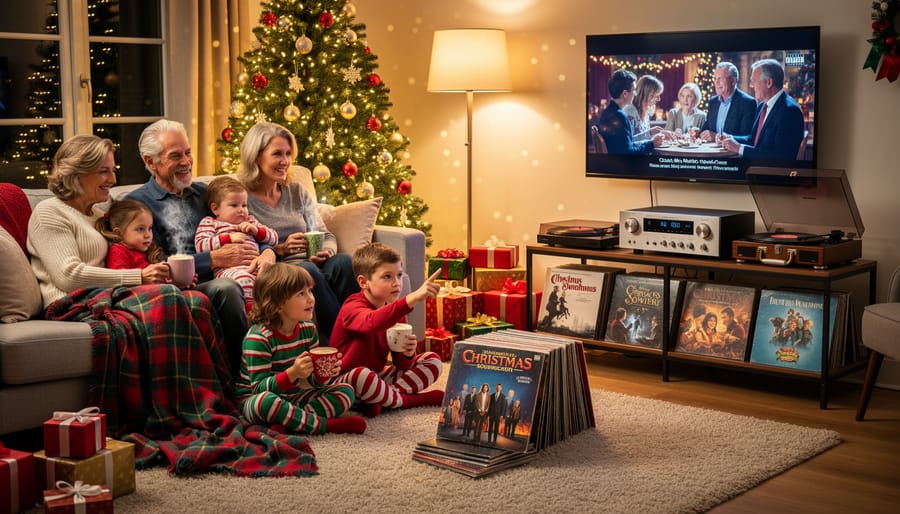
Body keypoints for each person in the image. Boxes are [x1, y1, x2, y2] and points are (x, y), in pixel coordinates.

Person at [28, 135, 315, 475]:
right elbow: (68, 275)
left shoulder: (97, 213)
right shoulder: (49, 212)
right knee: (167, 297)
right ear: (78, 172)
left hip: (108, 293)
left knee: (195, 301)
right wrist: (140, 277)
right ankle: (177, 412)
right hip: (74, 302)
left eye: (112, 170)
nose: (113, 179)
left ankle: (218, 400)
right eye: (104, 172)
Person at [126, 119, 273, 377]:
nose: (186, 161)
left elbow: (249, 224)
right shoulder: (138, 204)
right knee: (227, 289)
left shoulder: (206, 193)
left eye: (188, 152)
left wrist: (268, 252)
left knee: (292, 277)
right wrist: (213, 258)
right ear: (151, 163)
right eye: (175, 156)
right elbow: (155, 261)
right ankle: (248, 377)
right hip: (191, 285)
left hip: (242, 268)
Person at [237, 121, 358, 343]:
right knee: (307, 270)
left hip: (310, 262)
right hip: (274, 270)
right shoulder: (241, 198)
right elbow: (244, 244)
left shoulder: (295, 191)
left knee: (342, 263)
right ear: (256, 157)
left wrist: (327, 252)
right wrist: (280, 250)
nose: (285, 161)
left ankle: (362, 330)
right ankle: (343, 343)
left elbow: (325, 235)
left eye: (288, 153)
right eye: (277, 154)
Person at [236, 263, 366, 435]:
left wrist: (324, 374)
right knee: (266, 402)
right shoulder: (258, 338)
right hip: (255, 400)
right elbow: (259, 388)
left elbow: (312, 382)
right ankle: (325, 426)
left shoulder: (308, 329)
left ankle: (290, 420)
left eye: (310, 291)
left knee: (345, 391)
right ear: (276, 305)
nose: (311, 298)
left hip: (294, 397)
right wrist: (293, 373)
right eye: (301, 294)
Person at [330, 242, 445, 416]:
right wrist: (412, 298)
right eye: (387, 277)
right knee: (363, 375)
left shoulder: (396, 312)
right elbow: (372, 322)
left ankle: (384, 399)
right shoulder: (352, 307)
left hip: (377, 380)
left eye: (399, 275)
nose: (396, 283)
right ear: (363, 282)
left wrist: (408, 353)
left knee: (433, 360)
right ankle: (406, 401)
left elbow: (401, 364)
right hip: (347, 384)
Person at [195, 176, 278, 311]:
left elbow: (273, 238)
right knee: (243, 278)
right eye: (234, 205)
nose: (241, 210)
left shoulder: (250, 221)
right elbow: (201, 245)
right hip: (229, 270)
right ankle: (253, 312)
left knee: (283, 278)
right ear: (216, 209)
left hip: (259, 267)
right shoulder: (210, 223)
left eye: (244, 205)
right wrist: (228, 238)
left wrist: (257, 231)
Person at [722, 59, 805, 160]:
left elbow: (780, 156)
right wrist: (730, 138)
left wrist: (739, 148)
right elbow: (754, 139)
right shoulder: (762, 106)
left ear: (769, 82)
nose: (751, 86)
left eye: (753, 81)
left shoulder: (789, 111)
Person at [595, 69, 664, 155]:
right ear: (625, 94)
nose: (635, 94)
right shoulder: (620, 117)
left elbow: (629, 143)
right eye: (634, 90)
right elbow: (628, 153)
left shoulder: (610, 111)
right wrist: (652, 144)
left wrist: (649, 135)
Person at [95, 199, 166, 271]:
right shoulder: (118, 251)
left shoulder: (146, 249)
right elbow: (120, 278)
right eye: (140, 229)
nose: (148, 235)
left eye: (150, 228)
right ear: (119, 233)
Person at [699, 62, 757, 141]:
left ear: (733, 81)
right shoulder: (713, 102)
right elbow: (707, 128)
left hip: (732, 152)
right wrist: (698, 132)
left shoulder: (748, 103)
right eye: (715, 79)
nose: (716, 83)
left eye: (720, 78)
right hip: (711, 151)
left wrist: (718, 137)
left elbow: (747, 137)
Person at [623, 75, 666, 143]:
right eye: (656, 95)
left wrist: (658, 135)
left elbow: (643, 139)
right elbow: (628, 142)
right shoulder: (630, 111)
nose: (659, 99)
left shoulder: (645, 111)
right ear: (646, 94)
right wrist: (650, 132)